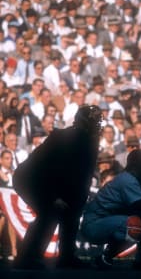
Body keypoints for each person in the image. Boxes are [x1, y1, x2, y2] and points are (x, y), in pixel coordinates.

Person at [13, 105, 103, 269]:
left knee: (71, 213)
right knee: (49, 214)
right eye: (94, 121)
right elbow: (51, 169)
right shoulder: (67, 138)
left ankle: (66, 257)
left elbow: (82, 174)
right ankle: (26, 258)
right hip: (31, 179)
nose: (97, 125)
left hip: (51, 180)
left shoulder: (89, 140)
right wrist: (54, 196)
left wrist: (77, 200)